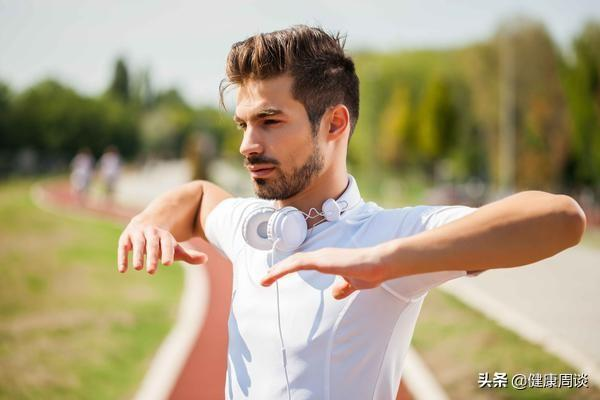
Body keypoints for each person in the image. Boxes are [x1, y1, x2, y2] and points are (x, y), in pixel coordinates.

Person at [117, 26, 586, 400]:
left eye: (270, 121)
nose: (247, 145)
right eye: (244, 124)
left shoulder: (390, 235)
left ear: (335, 123)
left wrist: (389, 261)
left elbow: (561, 219)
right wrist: (148, 221)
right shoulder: (252, 228)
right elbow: (198, 197)